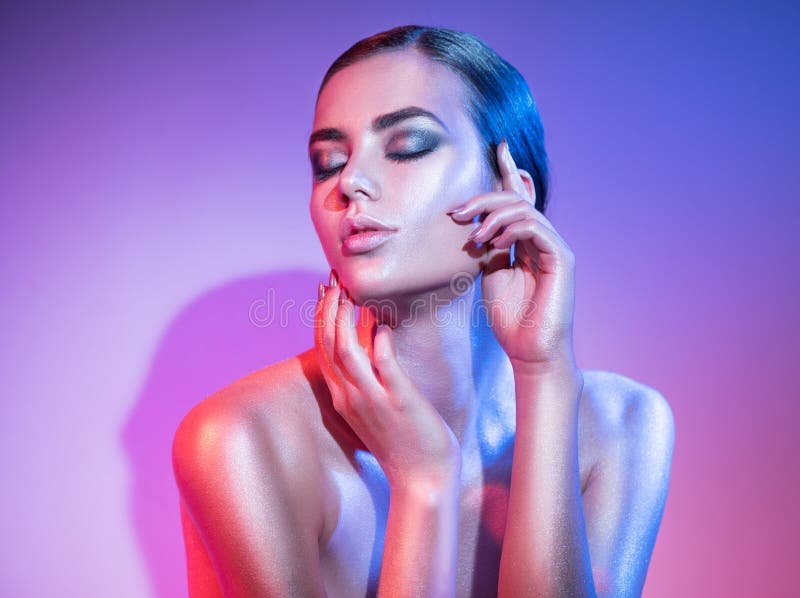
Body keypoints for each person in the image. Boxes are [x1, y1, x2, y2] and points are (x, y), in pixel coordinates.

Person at [171, 25, 675, 598]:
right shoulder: (241, 439)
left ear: (513, 192)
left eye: (407, 146)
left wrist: (545, 374)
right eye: (328, 162)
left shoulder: (621, 426)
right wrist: (424, 482)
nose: (351, 183)